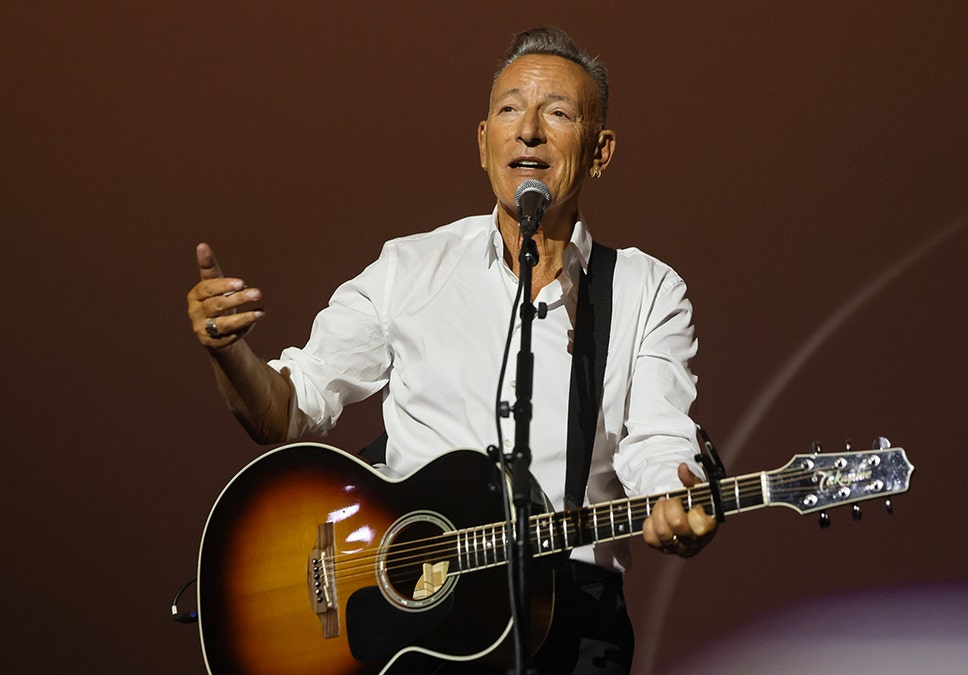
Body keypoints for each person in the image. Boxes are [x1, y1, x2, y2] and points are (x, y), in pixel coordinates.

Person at [186, 27, 717, 674]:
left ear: (600, 152)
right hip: (412, 625)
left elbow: (660, 443)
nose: (528, 131)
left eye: (557, 113)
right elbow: (285, 411)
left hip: (568, 619)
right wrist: (229, 353)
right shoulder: (409, 269)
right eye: (510, 109)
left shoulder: (645, 289)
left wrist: (676, 502)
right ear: (483, 141)